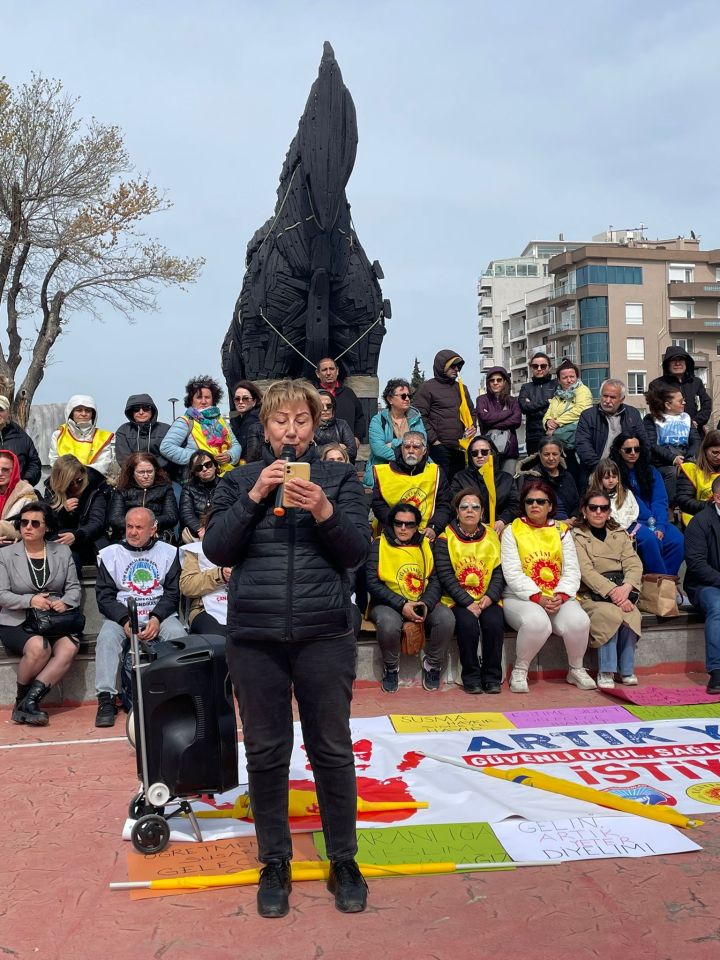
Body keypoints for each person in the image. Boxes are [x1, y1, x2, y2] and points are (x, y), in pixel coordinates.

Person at [203, 379, 371, 918]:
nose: (291, 431)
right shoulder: (238, 480)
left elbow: (355, 552)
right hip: (255, 637)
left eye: (301, 421)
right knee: (267, 751)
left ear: (315, 426)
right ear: (266, 426)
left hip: (324, 635)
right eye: (281, 421)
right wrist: (255, 496)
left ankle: (344, 859)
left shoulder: (340, 479)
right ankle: (274, 861)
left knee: (331, 749)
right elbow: (217, 548)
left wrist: (323, 509)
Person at [94, 507, 186, 728]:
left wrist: (156, 618)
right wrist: (125, 620)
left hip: (159, 614)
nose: (133, 532)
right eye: (129, 526)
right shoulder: (110, 554)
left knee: (178, 635)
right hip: (123, 616)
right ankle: (106, 698)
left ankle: (181, 693)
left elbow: (173, 593)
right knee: (106, 638)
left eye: (139, 527)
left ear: (153, 529)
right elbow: (104, 597)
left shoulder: (169, 552)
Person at [501, 481, 595, 693]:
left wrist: (561, 595)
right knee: (537, 623)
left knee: (580, 621)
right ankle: (520, 670)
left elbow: (572, 570)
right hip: (521, 597)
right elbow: (512, 572)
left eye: (541, 501)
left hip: (557, 596)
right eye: (529, 501)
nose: (535, 505)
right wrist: (537, 597)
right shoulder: (512, 530)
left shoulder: (562, 530)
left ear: (550, 505)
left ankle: (576, 669)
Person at [0, 501, 82, 725]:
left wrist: (65, 602)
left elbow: (74, 588)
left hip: (53, 619)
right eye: (23, 522)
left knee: (69, 647)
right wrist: (30, 600)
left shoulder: (62, 551)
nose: (28, 527)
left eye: (35, 523)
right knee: (39, 647)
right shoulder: (5, 555)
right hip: (17, 619)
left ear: (47, 527)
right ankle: (21, 700)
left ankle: (29, 702)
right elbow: (2, 595)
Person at [366, 501, 454, 693]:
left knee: (446, 619)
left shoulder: (426, 544)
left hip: (421, 599)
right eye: (398, 523)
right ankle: (391, 667)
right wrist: (402, 604)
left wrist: (425, 604)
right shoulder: (379, 544)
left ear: (417, 526)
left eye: (409, 524)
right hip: (388, 602)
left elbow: (435, 579)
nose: (403, 528)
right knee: (389, 624)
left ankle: (432, 664)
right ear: (392, 524)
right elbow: (371, 582)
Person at [434, 489, 505, 693]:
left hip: (487, 597)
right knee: (468, 625)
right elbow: (445, 576)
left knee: (494, 623)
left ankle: (492, 677)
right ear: (457, 512)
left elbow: (499, 572)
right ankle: (471, 676)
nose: (469, 511)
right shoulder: (445, 538)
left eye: (475, 507)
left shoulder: (492, 536)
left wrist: (490, 597)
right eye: (464, 507)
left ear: (482, 512)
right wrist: (467, 602)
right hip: (457, 599)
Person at [573, 490, 643, 689]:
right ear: (584, 511)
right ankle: (606, 670)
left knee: (631, 614)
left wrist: (626, 588)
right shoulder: (577, 536)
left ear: (609, 512)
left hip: (623, 590)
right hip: (592, 594)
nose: (598, 512)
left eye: (603, 508)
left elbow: (633, 563)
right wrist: (614, 593)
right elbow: (585, 571)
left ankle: (626, 670)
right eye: (593, 508)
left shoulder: (619, 534)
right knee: (608, 615)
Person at [610, 433, 684, 576]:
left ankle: (665, 582)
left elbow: (659, 500)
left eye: (637, 449)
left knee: (678, 541)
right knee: (651, 541)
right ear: (619, 450)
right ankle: (661, 582)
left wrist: (660, 525)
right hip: (630, 522)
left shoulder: (651, 471)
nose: (633, 453)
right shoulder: (613, 473)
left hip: (654, 520)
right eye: (628, 450)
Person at [371, 431, 451, 540]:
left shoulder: (436, 472)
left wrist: (434, 527)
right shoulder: (384, 473)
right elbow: (378, 505)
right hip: (392, 530)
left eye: (416, 447)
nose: (411, 451)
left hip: (426, 532)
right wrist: (397, 525)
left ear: (424, 451)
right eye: (407, 447)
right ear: (401, 449)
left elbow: (444, 505)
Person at [413, 349, 476, 481]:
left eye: (458, 366)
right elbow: (419, 417)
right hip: (438, 448)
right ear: (442, 366)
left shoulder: (462, 388)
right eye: (452, 366)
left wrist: (473, 426)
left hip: (460, 447)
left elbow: (472, 412)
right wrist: (435, 441)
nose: (456, 369)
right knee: (440, 485)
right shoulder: (427, 388)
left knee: (458, 485)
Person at [160, 375, 241, 477]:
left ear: (213, 400)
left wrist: (230, 455)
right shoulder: (185, 421)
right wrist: (198, 459)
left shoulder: (221, 421)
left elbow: (235, 445)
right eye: (199, 397)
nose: (203, 401)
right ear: (191, 400)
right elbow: (166, 447)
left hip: (227, 475)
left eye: (207, 397)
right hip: (199, 476)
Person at [683, 476, 720, 694]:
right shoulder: (700, 522)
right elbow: (696, 564)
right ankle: (717, 672)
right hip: (705, 585)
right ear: (717, 498)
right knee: (718, 607)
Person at [43, 454, 109, 570]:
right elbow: (48, 522)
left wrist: (76, 535)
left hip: (88, 540)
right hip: (63, 541)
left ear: (83, 474)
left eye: (79, 480)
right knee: (66, 554)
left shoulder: (95, 486)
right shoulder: (51, 489)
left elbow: (96, 522)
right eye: (70, 483)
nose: (76, 486)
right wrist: (62, 511)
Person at [574, 379, 646, 481]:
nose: (607, 401)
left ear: (622, 399)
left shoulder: (633, 414)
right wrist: (600, 468)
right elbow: (583, 445)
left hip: (627, 470)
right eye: (605, 396)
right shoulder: (588, 416)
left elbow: (643, 442)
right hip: (595, 470)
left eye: (612, 397)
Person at [450, 435, 519, 536]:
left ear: (492, 453)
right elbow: (455, 505)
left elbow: (515, 505)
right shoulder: (460, 478)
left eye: (484, 452)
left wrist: (502, 520)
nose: (479, 456)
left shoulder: (506, 478)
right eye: (474, 453)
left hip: (500, 528)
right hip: (470, 529)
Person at [363, 378, 427, 488]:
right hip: (383, 471)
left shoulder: (416, 418)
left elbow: (422, 442)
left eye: (409, 396)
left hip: (413, 470)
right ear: (390, 399)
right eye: (403, 396)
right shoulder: (378, 420)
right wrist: (407, 458)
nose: (407, 399)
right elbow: (378, 450)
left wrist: (393, 443)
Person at [644, 384, 700, 506]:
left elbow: (695, 440)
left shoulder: (686, 418)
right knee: (673, 473)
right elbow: (651, 444)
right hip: (663, 461)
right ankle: (669, 508)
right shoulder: (651, 419)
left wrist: (688, 457)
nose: (684, 403)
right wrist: (673, 458)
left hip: (685, 458)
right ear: (668, 405)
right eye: (680, 401)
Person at [108, 452, 178, 542]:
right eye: (141, 472)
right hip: (126, 535)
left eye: (150, 471)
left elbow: (171, 517)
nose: (146, 476)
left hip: (158, 534)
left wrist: (150, 527)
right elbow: (115, 519)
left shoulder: (165, 488)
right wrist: (137, 529)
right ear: (132, 473)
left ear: (155, 470)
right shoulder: (122, 490)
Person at [542, 359, 593, 479]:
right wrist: (548, 422)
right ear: (559, 380)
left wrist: (557, 423)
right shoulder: (558, 395)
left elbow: (581, 410)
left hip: (576, 441)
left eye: (572, 376)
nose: (569, 380)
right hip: (561, 443)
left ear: (577, 377)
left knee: (577, 475)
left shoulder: (582, 390)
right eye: (565, 377)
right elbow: (548, 413)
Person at [179, 518, 229, 637]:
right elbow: (187, 586)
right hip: (204, 608)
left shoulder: (246, 547)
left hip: (242, 606)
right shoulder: (194, 550)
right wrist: (219, 575)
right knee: (219, 638)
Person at [515, 438, 580, 523]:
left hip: (571, 523)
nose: (551, 458)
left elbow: (577, 504)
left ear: (560, 454)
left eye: (555, 454)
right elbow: (526, 509)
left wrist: (574, 517)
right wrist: (557, 523)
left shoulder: (567, 477)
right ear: (540, 454)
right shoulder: (532, 479)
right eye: (546, 454)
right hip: (543, 525)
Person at [649, 345, 712, 432]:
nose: (678, 363)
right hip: (667, 432)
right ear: (667, 364)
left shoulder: (696, 382)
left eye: (681, 360)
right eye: (673, 360)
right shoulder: (657, 385)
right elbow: (656, 411)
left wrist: (696, 421)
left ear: (686, 362)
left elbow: (706, 403)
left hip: (695, 430)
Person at [49, 394, 114, 476]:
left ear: (93, 414)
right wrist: (71, 474)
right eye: (79, 410)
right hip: (64, 479)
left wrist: (81, 474)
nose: (83, 414)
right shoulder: (59, 434)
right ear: (71, 413)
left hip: (93, 480)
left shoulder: (103, 437)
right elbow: (54, 461)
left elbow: (103, 465)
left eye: (88, 410)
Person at [475, 367, 521, 475]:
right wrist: (507, 413)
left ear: (504, 381)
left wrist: (493, 423)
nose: (495, 383)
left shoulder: (512, 400)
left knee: (508, 480)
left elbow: (516, 420)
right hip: (488, 451)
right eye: (492, 380)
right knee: (490, 482)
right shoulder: (482, 400)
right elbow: (484, 419)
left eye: (499, 380)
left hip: (510, 450)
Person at [114, 394, 173, 473]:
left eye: (146, 408)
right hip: (133, 476)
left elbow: (171, 455)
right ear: (131, 412)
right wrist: (140, 471)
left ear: (152, 410)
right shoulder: (123, 431)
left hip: (163, 475)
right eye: (136, 409)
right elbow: (124, 458)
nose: (141, 412)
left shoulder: (166, 429)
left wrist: (152, 470)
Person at [315, 357, 366, 444]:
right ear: (318, 374)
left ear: (337, 371)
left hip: (347, 446)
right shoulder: (312, 394)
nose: (328, 373)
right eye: (324, 370)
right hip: (320, 447)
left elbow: (360, 418)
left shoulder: (349, 393)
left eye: (331, 369)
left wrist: (357, 438)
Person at [677, 429, 720, 528]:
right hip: (697, 518)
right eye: (715, 452)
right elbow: (684, 501)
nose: (719, 457)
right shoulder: (690, 469)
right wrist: (712, 506)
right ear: (705, 450)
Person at [518, 353, 556, 456]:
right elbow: (524, 407)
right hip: (533, 437)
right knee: (534, 465)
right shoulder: (526, 387)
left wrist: (532, 406)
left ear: (549, 367)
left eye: (543, 366)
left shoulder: (556, 384)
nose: (539, 369)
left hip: (553, 434)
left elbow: (558, 409)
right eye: (535, 366)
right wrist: (547, 402)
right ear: (531, 368)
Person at [179, 451, 220, 542]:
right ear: (195, 473)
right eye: (199, 468)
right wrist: (201, 529)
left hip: (222, 531)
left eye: (208, 465)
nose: (204, 469)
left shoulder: (226, 485)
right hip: (197, 535)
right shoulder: (189, 488)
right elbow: (186, 514)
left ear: (215, 465)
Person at [0, 449, 39, 544]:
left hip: (13, 546)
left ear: (14, 470)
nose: (0, 473)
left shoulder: (27, 494)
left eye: (5, 470)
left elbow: (26, 528)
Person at [0, 396, 41, 485]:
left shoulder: (21, 437)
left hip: (16, 490)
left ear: (8, 412)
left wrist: (26, 480)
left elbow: (34, 463)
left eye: (1, 410)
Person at [589, 459, 640, 531]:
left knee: (649, 536)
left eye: (614, 477)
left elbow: (635, 512)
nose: (611, 480)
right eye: (607, 478)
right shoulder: (594, 498)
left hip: (631, 527)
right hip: (610, 531)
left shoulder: (626, 493)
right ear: (599, 479)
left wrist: (630, 529)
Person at [315, 390, 357, 462]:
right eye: (321, 406)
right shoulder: (310, 426)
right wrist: (337, 446)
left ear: (333, 408)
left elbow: (352, 451)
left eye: (329, 406)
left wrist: (321, 449)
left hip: (341, 467)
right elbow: (309, 452)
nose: (325, 409)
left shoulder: (342, 424)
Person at [230, 380, 265, 464]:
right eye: (237, 399)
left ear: (254, 402)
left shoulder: (255, 421)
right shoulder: (238, 421)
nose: (240, 402)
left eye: (245, 398)